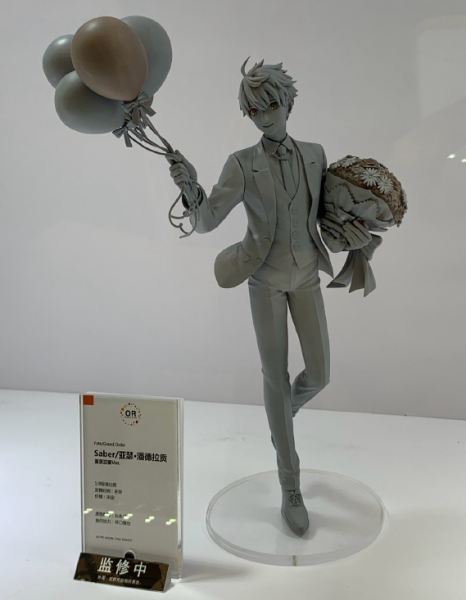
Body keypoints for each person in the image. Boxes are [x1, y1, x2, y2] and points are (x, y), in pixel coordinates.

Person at [167, 59, 371, 536]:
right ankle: (290, 486)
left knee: (319, 373)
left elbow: (326, 220)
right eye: (254, 110)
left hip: (307, 277)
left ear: (288, 103)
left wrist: (355, 235)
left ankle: (281, 411)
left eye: (270, 105)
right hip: (263, 279)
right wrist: (190, 188)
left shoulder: (316, 155)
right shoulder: (241, 163)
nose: (262, 116)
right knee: (273, 373)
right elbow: (207, 222)